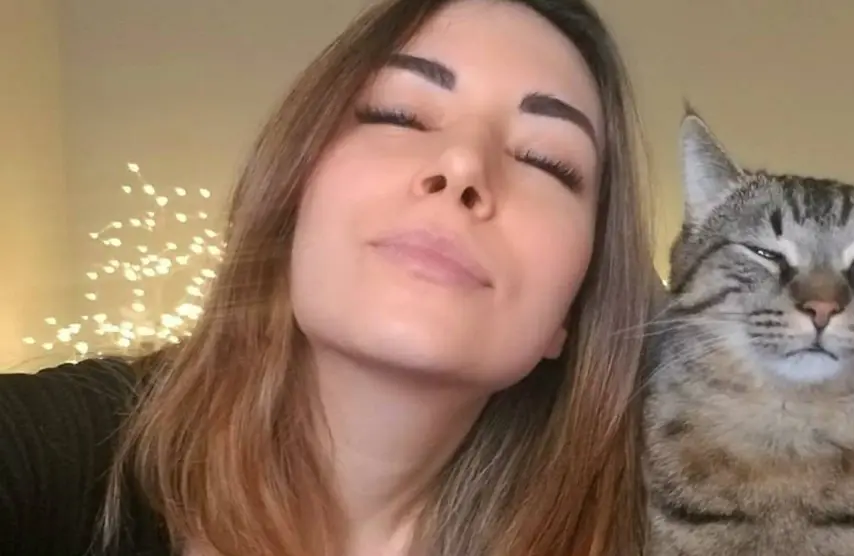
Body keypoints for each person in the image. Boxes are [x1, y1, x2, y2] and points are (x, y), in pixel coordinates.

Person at [0, 0, 656, 554]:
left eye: (545, 160)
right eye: (398, 114)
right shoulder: (70, 452)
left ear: (575, 308)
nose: (462, 164)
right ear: (294, 195)